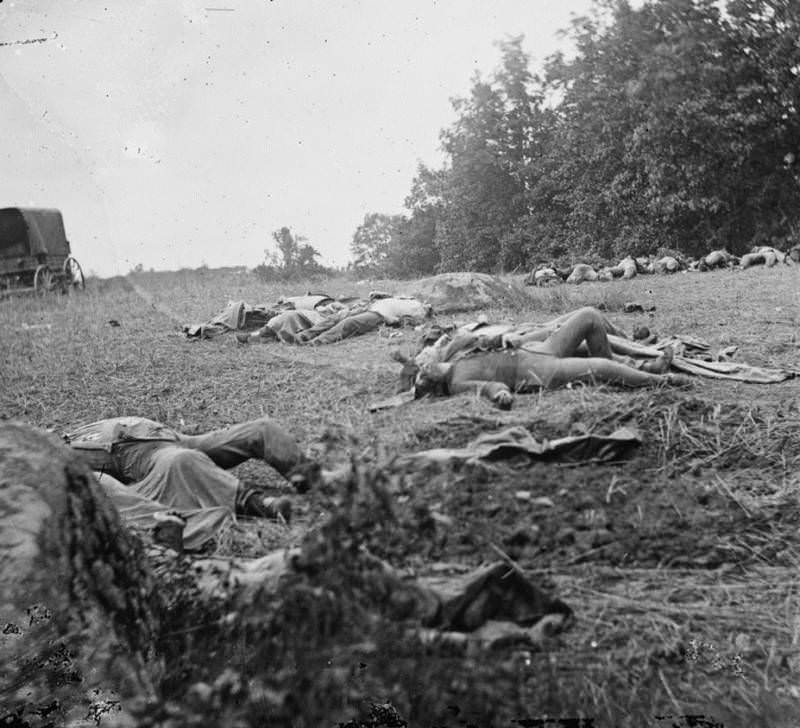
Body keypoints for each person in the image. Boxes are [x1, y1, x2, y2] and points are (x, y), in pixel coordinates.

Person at [65, 416, 321, 549]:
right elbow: (108, 491)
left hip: (164, 434)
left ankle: (314, 479)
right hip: (145, 459)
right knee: (181, 461)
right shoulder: (57, 466)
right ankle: (257, 504)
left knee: (262, 429)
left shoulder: (55, 438)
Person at [410, 307, 690, 409]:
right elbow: (490, 389)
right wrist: (501, 396)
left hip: (538, 350)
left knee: (589, 316)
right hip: (538, 372)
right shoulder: (457, 383)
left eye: (421, 369)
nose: (424, 370)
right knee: (600, 366)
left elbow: (487, 341)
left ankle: (629, 367)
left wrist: (506, 339)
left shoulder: (456, 353)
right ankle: (660, 380)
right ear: (433, 388)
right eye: (422, 378)